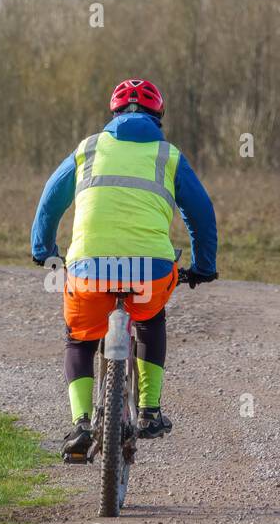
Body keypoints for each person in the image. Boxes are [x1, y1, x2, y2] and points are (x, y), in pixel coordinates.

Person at [31, 78, 218, 457]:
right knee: (150, 318)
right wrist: (203, 266)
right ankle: (150, 411)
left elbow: (51, 200)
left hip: (88, 270)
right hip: (150, 271)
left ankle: (81, 423)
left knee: (80, 338)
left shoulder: (88, 149)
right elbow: (201, 213)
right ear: (158, 117)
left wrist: (43, 249)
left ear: (113, 115)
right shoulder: (169, 155)